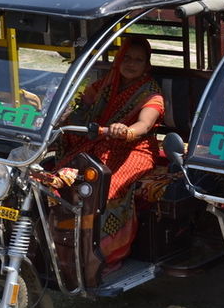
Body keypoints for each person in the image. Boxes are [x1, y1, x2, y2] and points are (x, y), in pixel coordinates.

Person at [59, 35, 164, 264]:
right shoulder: (103, 85)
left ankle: (103, 253)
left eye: (138, 60)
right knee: (60, 177)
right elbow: (81, 107)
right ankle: (61, 240)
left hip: (136, 149)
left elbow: (145, 124)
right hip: (99, 143)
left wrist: (126, 130)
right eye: (127, 58)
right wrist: (62, 115)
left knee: (106, 189)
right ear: (118, 59)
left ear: (146, 64)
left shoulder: (151, 92)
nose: (131, 64)